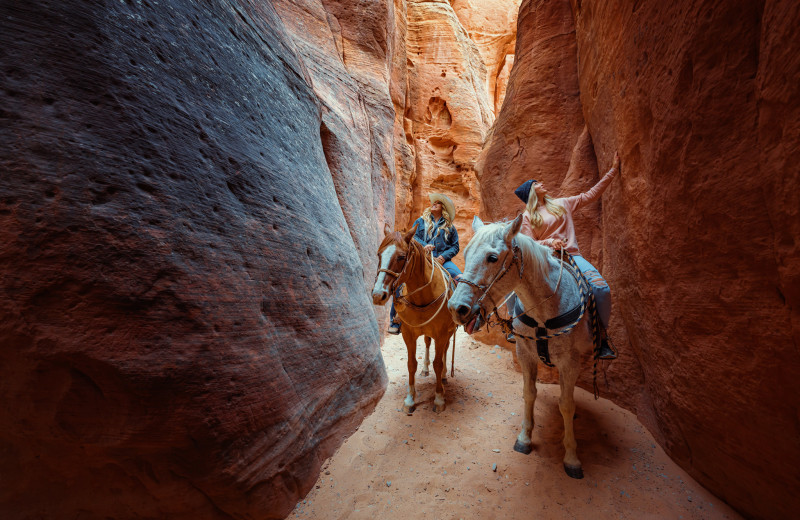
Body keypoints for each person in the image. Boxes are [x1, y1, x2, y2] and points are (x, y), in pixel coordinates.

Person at [511, 152, 621, 359]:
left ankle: (601, 339)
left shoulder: (562, 203)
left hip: (571, 256)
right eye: (536, 183)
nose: (541, 183)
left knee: (601, 288)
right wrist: (550, 242)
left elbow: (590, 195)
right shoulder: (527, 216)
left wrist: (613, 171)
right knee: (513, 283)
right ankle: (514, 326)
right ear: (530, 192)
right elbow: (528, 244)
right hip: (545, 259)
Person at [388, 193, 462, 334]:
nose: (433, 204)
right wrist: (424, 246)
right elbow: (413, 236)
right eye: (433, 202)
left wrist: (443, 256)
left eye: (438, 203)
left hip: (442, 261)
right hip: (421, 260)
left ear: (443, 208)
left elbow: (455, 246)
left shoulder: (450, 227)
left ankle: (458, 317)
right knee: (400, 280)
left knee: (460, 279)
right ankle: (396, 320)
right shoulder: (420, 221)